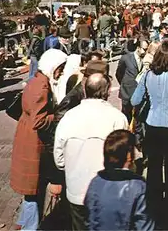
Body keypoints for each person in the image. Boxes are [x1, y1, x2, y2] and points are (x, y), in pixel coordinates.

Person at [54, 73, 128, 230]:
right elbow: (124, 159)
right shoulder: (117, 118)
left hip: (76, 191)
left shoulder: (68, 117)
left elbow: (59, 158)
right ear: (107, 92)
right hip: (107, 192)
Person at [131, 39, 168, 230]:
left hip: (154, 126)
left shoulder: (148, 76)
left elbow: (135, 99)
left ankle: (155, 210)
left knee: (154, 170)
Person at [11, 49, 67, 231]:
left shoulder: (37, 80)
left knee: (32, 192)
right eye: (60, 68)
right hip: (33, 143)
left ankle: (26, 223)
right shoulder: (41, 87)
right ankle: (31, 227)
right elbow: (39, 120)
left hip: (27, 138)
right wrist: (56, 117)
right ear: (53, 67)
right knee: (35, 191)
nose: (61, 72)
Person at [84, 130, 155, 231]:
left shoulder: (95, 182)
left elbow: (89, 220)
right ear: (129, 156)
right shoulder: (138, 187)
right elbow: (145, 226)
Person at [116, 39, 149, 122]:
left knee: (138, 118)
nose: (145, 52)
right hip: (127, 92)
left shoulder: (146, 60)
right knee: (126, 116)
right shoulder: (126, 58)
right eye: (144, 49)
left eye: (147, 49)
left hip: (140, 93)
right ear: (138, 48)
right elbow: (119, 73)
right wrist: (125, 84)